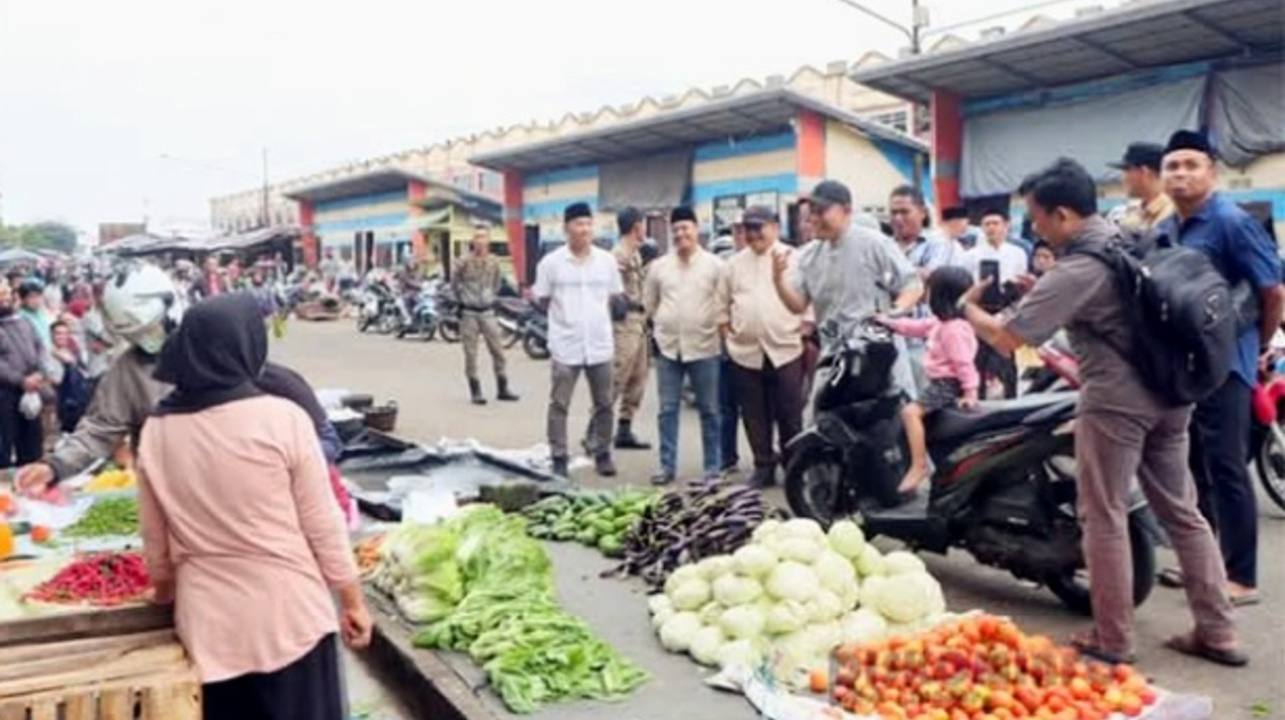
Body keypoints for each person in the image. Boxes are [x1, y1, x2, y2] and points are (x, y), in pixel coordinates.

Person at [961, 157, 1245, 667]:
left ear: (1064, 214)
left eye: (1038, 218)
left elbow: (1008, 338)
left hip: (1117, 403)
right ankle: (1218, 631)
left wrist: (968, 309)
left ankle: (1112, 638)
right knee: (1183, 511)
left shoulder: (1077, 267)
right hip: (1172, 393)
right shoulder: (1124, 238)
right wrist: (1041, 297)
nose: (1035, 229)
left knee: (1104, 515)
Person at [136, 294, 370, 720]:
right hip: (291, 616)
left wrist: (167, 595)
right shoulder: (282, 418)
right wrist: (353, 601)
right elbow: (323, 524)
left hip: (210, 627)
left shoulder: (157, 430)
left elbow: (155, 540)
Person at [14, 265, 344, 499]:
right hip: (172, 501)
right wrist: (55, 466)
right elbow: (99, 429)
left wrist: (286, 470)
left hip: (247, 499)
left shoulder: (225, 348)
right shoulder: (128, 370)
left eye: (150, 329)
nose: (148, 342)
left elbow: (315, 436)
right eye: (136, 336)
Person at [1154, 130, 1284, 606]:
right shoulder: (1170, 227)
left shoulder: (1231, 222)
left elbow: (1271, 290)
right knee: (1194, 466)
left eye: (1191, 164)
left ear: (1211, 171)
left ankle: (1242, 577)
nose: (1181, 173)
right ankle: (1202, 565)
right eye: (1173, 166)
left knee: (1227, 466)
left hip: (1228, 364)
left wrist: (1262, 346)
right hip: (1187, 366)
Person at [773, 180, 922, 398]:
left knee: (889, 422)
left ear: (846, 210)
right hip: (834, 356)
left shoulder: (874, 244)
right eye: (811, 212)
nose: (813, 218)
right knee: (828, 421)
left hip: (878, 353)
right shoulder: (809, 255)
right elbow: (797, 305)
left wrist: (892, 314)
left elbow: (913, 285)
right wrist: (777, 279)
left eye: (821, 211)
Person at [531, 202, 622, 479]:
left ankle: (602, 452)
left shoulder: (606, 261)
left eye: (587, 224)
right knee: (559, 404)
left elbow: (615, 296)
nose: (583, 229)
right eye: (577, 224)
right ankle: (559, 456)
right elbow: (542, 299)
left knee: (604, 403)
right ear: (566, 229)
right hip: (565, 344)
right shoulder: (551, 263)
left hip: (599, 344)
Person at [722, 206, 811, 488]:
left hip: (786, 348)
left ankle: (794, 465)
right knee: (753, 413)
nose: (752, 233)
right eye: (747, 228)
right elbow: (720, 306)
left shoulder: (796, 260)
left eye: (758, 227)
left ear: (775, 227)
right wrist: (727, 334)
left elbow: (810, 298)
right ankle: (763, 465)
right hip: (745, 352)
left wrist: (807, 325)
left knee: (790, 412)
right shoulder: (733, 265)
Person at [644, 206, 727, 485]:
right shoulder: (659, 267)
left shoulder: (715, 266)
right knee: (667, 410)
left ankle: (712, 469)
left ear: (696, 229)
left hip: (705, 347)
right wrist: (663, 326)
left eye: (686, 228)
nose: (681, 234)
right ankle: (666, 467)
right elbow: (650, 304)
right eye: (676, 229)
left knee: (710, 410)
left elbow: (723, 303)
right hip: (668, 348)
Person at [879, 267, 979, 493]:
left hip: (947, 384)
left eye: (929, 289)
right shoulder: (940, 323)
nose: (925, 294)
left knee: (909, 413)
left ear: (941, 295)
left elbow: (964, 364)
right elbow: (916, 327)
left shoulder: (953, 329)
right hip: (939, 382)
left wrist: (970, 392)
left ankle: (919, 465)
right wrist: (887, 322)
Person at [962, 208, 1027, 398]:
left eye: (995, 223)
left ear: (1006, 226)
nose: (991, 228)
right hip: (980, 310)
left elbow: (1021, 283)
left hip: (1007, 309)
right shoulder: (970, 256)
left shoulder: (1018, 253)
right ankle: (979, 396)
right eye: (987, 224)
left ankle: (1011, 396)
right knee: (979, 358)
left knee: (1007, 356)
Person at [453, 227, 519, 405]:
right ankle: (476, 391)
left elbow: (497, 283)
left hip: (488, 311)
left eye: (483, 237)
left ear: (488, 240)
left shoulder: (493, 261)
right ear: (472, 241)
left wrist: (491, 297)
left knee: (498, 351)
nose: (480, 241)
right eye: (477, 237)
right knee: (471, 353)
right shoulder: (463, 261)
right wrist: (462, 299)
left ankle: (502, 388)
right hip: (469, 312)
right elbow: (455, 283)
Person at [603, 208, 651, 450]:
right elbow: (611, 290)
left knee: (638, 378)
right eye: (643, 224)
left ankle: (624, 429)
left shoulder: (634, 253)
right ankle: (596, 430)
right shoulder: (618, 255)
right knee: (617, 377)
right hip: (624, 323)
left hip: (639, 322)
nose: (645, 229)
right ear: (636, 226)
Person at [0, 278, 47, 468]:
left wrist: (40, 373)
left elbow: (40, 347)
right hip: (5, 393)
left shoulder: (24, 321)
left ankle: (30, 480)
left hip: (32, 388)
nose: (4, 300)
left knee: (32, 443)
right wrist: (20, 380)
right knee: (4, 443)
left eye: (6, 295)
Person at [715, 220, 746, 475]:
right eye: (736, 230)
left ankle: (767, 457)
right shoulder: (724, 264)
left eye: (744, 230)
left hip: (757, 350)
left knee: (761, 409)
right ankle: (727, 457)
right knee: (726, 408)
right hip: (728, 350)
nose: (740, 235)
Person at [1108, 142, 1175, 235]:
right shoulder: (1134, 211)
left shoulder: (1172, 214)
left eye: (1127, 170)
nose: (1123, 178)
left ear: (1144, 172)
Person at [49, 320, 91, 433]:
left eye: (65, 333)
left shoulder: (73, 353)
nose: (62, 336)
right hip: (59, 400)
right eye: (58, 333)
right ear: (52, 335)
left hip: (77, 400)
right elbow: (53, 379)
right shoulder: (47, 354)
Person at [16, 280, 53, 354]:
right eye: (31, 297)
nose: (36, 300)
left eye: (38, 296)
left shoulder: (41, 313)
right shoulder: (21, 317)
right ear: (23, 299)